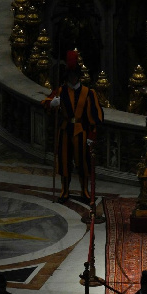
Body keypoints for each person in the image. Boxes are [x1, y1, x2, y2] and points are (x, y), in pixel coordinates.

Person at [42, 49, 104, 203]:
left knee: (83, 162)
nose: (73, 78)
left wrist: (92, 135)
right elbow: (45, 103)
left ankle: (84, 190)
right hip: (64, 130)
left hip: (81, 131)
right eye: (70, 75)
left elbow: (96, 116)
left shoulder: (89, 93)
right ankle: (65, 190)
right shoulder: (61, 91)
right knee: (64, 161)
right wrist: (52, 103)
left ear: (79, 76)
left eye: (75, 75)